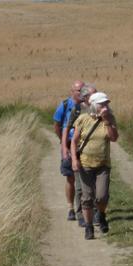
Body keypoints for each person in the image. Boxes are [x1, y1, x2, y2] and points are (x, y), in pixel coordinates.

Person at [71, 92, 118, 240]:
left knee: (102, 196)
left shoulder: (109, 119)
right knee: (87, 197)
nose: (105, 107)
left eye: (106, 104)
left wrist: (107, 121)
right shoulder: (83, 119)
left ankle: (102, 215)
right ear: (94, 105)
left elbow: (114, 138)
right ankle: (89, 227)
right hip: (85, 165)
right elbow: (74, 142)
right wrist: (74, 160)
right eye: (102, 104)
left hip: (103, 164)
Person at [61, 83, 96, 226]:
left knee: (93, 185)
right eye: (94, 94)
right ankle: (80, 213)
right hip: (79, 152)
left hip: (94, 152)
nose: (96, 96)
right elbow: (66, 128)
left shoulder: (99, 108)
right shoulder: (77, 109)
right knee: (80, 185)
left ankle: (92, 211)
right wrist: (65, 148)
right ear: (86, 96)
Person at [53, 80, 84, 221]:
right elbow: (57, 125)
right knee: (70, 177)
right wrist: (63, 142)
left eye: (83, 90)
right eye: (78, 90)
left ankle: (85, 207)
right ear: (72, 92)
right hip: (68, 144)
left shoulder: (87, 106)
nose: (81, 92)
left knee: (85, 177)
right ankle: (70, 207)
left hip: (83, 145)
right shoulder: (64, 105)